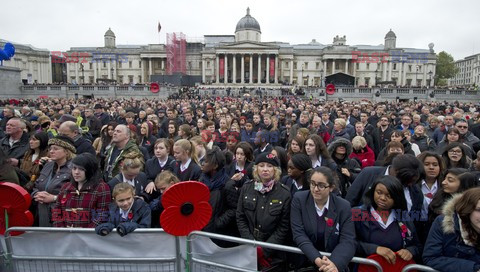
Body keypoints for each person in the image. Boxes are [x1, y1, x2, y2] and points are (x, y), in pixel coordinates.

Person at [290, 167, 356, 271]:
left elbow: (347, 240)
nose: (315, 189)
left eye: (321, 186)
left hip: (333, 265)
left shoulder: (343, 206)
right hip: (306, 263)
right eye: (312, 184)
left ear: (331, 187)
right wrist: (317, 259)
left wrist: (334, 264)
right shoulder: (299, 199)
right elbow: (298, 234)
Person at [236, 152, 291, 270]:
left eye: (269, 166)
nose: (265, 169)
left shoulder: (284, 193)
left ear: (276, 170)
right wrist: (252, 245)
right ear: (256, 169)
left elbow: (283, 226)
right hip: (248, 248)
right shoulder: (247, 187)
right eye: (261, 165)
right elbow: (240, 217)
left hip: (273, 255)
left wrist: (265, 250)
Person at [354, 176, 420, 268]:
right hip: (366, 268)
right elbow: (349, 242)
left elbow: (417, 246)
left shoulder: (403, 217)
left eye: (388, 196)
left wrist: (410, 251)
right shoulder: (358, 214)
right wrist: (375, 249)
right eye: (379, 193)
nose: (382, 198)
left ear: (396, 198)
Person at [423, 187, 480, 271]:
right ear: (468, 209)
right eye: (479, 210)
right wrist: (473, 268)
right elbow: (431, 258)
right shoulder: (443, 222)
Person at [52, 153, 111, 228]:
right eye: (74, 168)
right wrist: (61, 230)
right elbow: (57, 211)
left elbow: (102, 215)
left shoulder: (101, 188)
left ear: (90, 170)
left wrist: (84, 233)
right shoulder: (66, 187)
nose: (76, 172)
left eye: (81, 169)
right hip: (65, 235)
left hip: (88, 236)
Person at [32, 135, 76, 227]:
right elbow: (36, 185)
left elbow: (79, 194)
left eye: (56, 149)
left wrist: (55, 198)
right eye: (50, 149)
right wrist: (36, 194)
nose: (51, 151)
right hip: (41, 212)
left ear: (67, 151)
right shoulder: (48, 165)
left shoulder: (75, 169)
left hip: (62, 215)